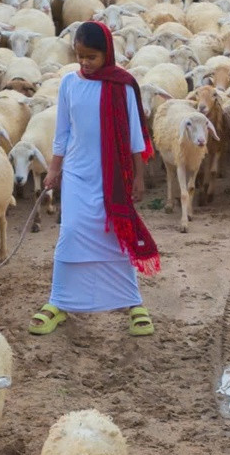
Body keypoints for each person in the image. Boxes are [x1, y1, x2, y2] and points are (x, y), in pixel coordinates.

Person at [30, 21, 159, 337]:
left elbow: (134, 137)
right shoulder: (69, 84)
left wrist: (138, 178)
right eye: (80, 56)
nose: (85, 63)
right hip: (76, 172)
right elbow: (62, 132)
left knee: (117, 236)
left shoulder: (122, 85)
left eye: (91, 57)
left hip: (112, 176)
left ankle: (133, 304)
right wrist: (54, 169)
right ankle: (58, 302)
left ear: (107, 54)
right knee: (70, 233)